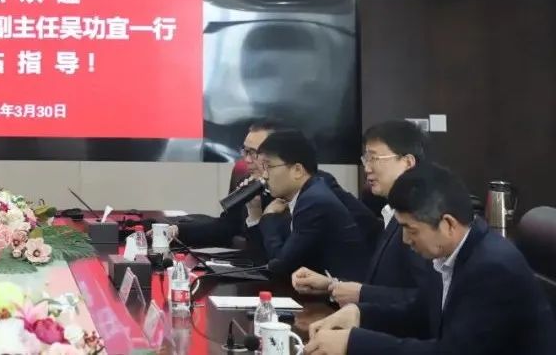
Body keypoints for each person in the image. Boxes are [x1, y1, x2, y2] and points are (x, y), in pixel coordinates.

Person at [304, 164, 556, 355]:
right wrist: (359, 314)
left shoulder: (492, 268)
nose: (405, 240)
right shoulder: (449, 253)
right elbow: (420, 314)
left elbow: (451, 352)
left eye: (411, 229)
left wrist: (354, 343)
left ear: (448, 224)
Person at [171, 119, 379, 250]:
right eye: (245, 151)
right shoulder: (254, 184)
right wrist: (177, 231)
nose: (247, 160)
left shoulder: (316, 187)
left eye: (255, 153)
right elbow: (227, 227)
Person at [293, 121, 431, 306]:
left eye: (374, 158)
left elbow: (427, 300)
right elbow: (384, 285)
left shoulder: (420, 218)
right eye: (366, 159)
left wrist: (362, 294)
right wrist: (332, 285)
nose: (367, 168)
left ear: (407, 163)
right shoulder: (392, 212)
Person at [245, 130, 370, 281]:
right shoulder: (304, 196)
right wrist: (255, 212)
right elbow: (266, 260)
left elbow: (280, 266)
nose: (264, 176)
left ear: (297, 170)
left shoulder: (314, 203)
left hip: (340, 293)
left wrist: (268, 217)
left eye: (268, 167)